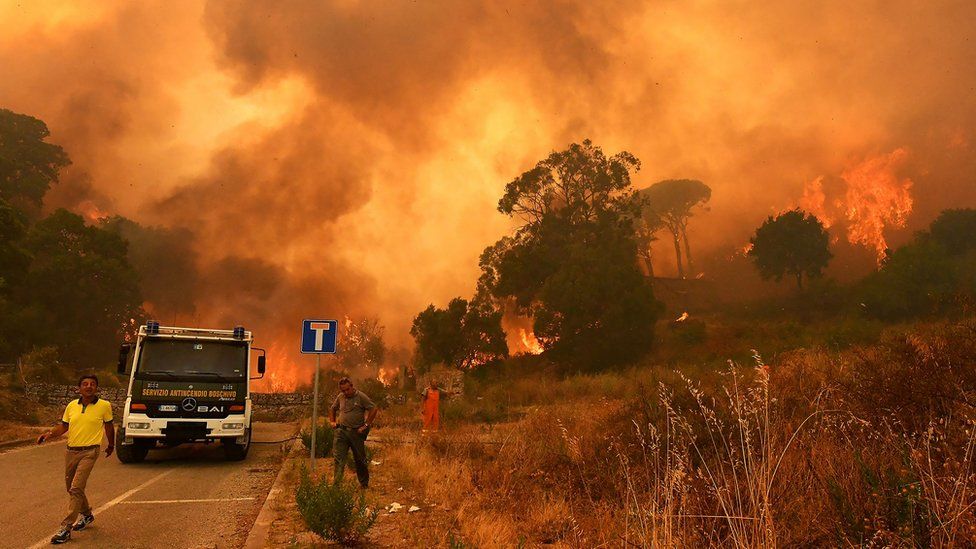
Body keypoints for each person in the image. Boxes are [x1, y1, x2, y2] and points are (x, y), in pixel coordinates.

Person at [37, 374, 115, 545]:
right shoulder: (72, 406)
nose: (88, 387)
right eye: (85, 384)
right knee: (71, 488)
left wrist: (111, 445)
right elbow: (64, 426)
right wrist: (49, 434)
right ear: (79, 388)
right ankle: (87, 514)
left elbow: (109, 426)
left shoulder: (104, 406)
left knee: (77, 487)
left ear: (96, 388)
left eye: (92, 384)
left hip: (90, 451)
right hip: (71, 451)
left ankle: (65, 528)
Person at [328, 377, 377, 488]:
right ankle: (337, 484)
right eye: (343, 390)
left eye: (347, 389)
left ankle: (364, 484)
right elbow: (332, 408)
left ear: (352, 386)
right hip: (341, 432)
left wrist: (366, 425)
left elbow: (373, 408)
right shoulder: (340, 397)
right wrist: (332, 421)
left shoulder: (361, 397)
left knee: (360, 459)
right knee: (339, 459)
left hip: (356, 433)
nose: (345, 392)